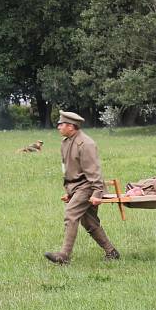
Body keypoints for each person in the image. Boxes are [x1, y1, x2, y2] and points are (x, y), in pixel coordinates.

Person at [45, 111, 120, 264]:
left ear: (71, 127)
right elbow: (69, 171)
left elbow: (94, 171)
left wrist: (97, 193)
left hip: (88, 186)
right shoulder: (66, 143)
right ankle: (111, 252)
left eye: (62, 124)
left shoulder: (86, 144)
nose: (58, 127)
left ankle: (64, 256)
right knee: (89, 222)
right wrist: (69, 192)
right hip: (77, 187)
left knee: (71, 214)